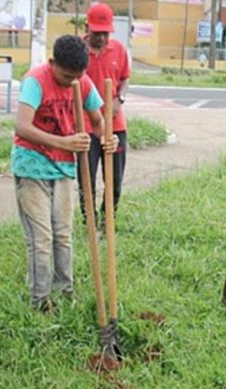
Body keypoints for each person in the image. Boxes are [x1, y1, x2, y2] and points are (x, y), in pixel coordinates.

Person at [13, 34, 117, 313]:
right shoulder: (36, 80)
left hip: (64, 168)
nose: (72, 81)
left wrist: (108, 137)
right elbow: (22, 126)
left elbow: (97, 121)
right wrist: (64, 142)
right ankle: (40, 302)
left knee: (63, 234)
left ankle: (65, 293)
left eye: (78, 76)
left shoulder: (82, 83)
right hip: (32, 165)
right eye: (66, 75)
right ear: (52, 63)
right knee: (42, 238)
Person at [78, 2, 131, 228]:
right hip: (87, 128)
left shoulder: (119, 50)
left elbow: (125, 78)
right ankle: (89, 222)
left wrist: (120, 99)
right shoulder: (77, 50)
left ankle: (107, 221)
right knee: (87, 180)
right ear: (87, 28)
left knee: (114, 181)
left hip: (114, 126)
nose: (101, 38)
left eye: (106, 33)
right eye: (97, 33)